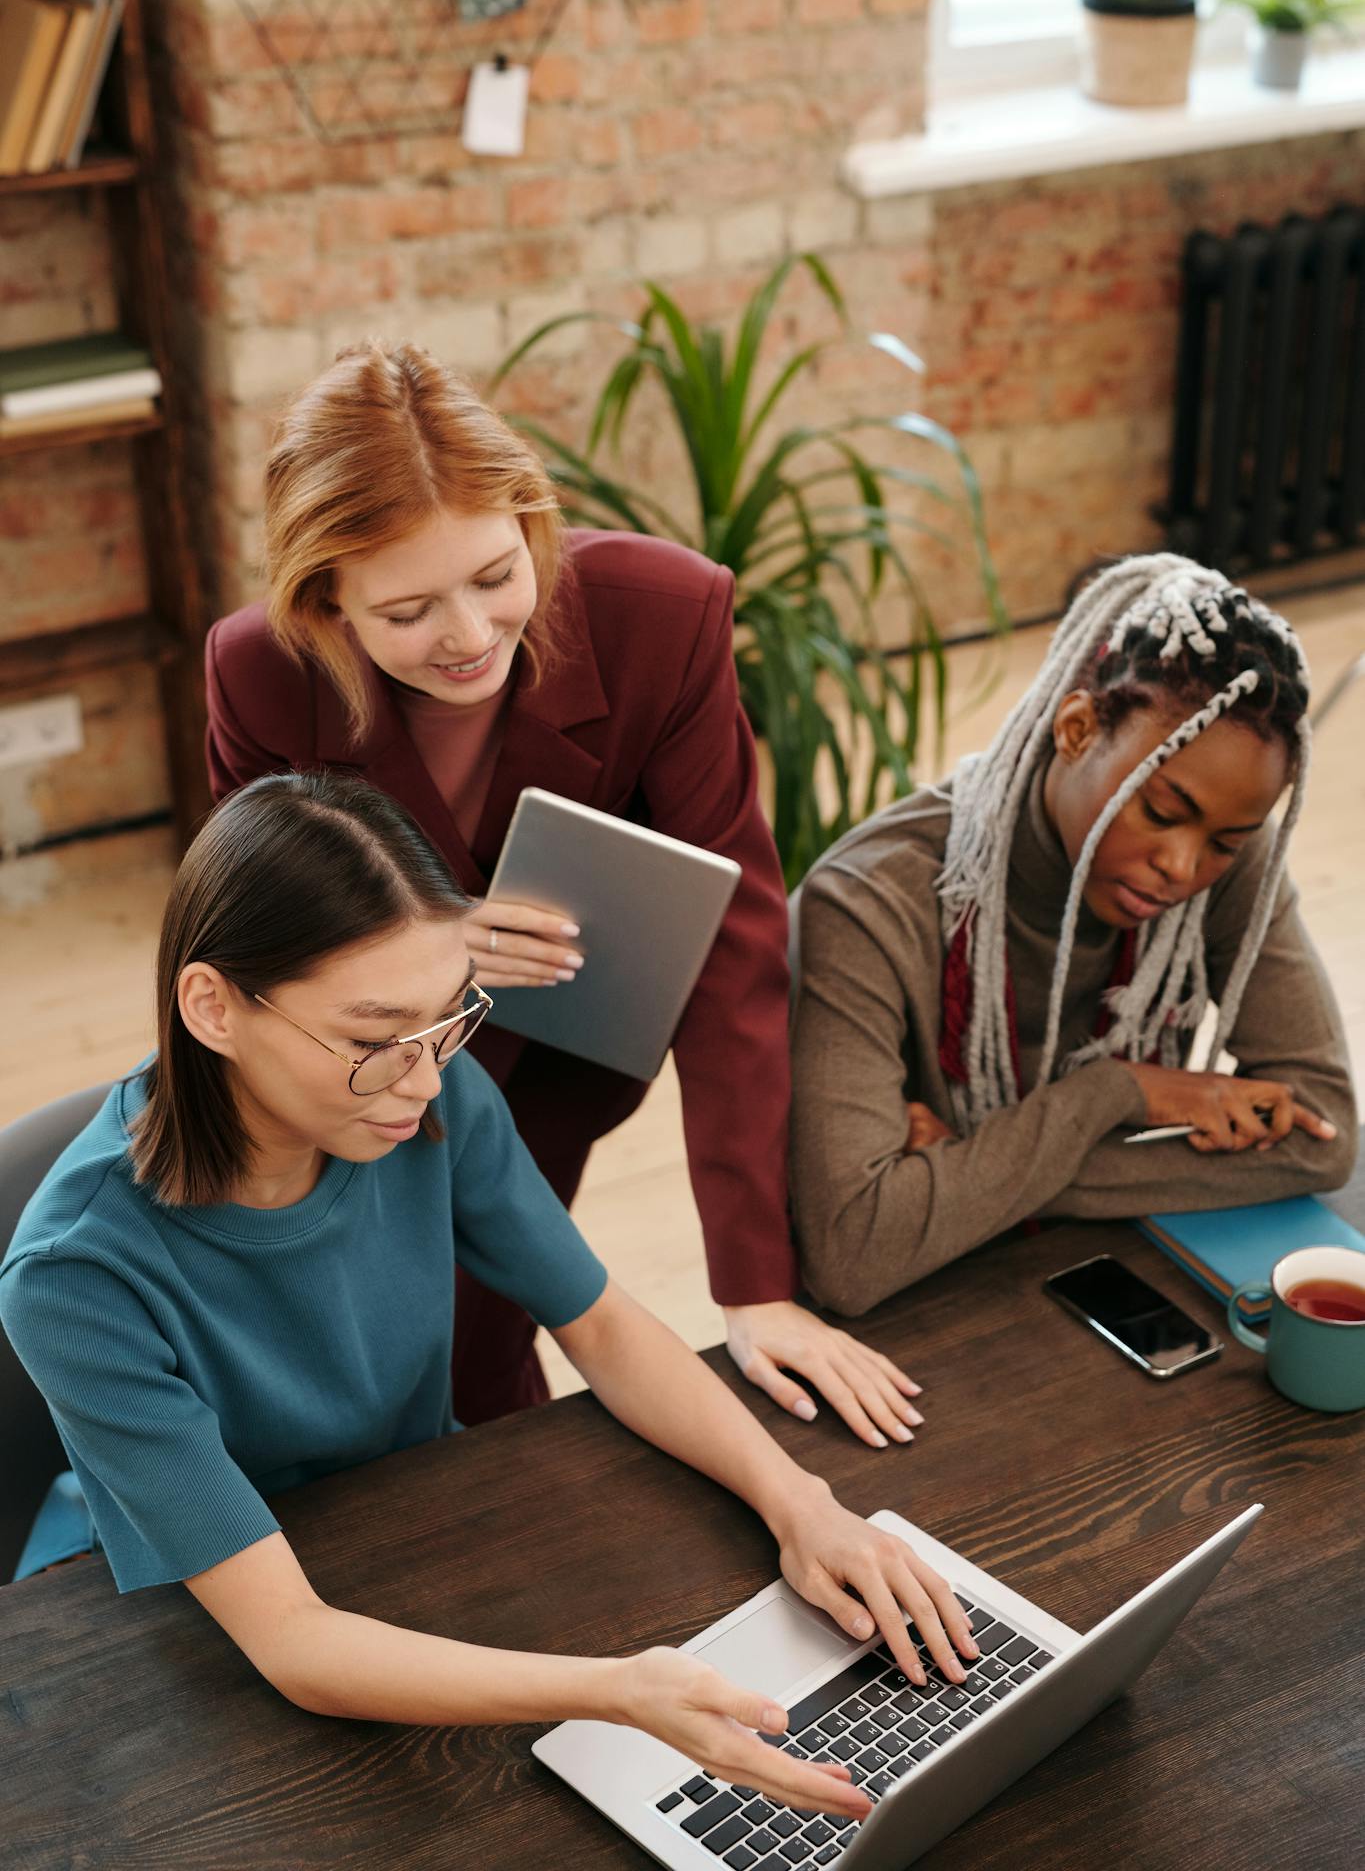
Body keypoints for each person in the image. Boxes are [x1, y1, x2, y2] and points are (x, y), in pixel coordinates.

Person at [0, 773, 977, 1818]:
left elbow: (598, 1321)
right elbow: (289, 1639)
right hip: (227, 1636)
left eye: (446, 1017)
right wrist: (616, 1689)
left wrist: (803, 1503)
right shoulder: (74, 1274)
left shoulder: (428, 1093)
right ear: (213, 1006)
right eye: (375, 1039)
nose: (423, 1078)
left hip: (426, 1532)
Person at [204, 338, 916, 1449]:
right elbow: (253, 936)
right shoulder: (257, 671)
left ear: (532, 521)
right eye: (406, 612)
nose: (471, 634)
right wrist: (431, 938)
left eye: (496, 576)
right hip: (352, 1062)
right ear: (325, 601)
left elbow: (737, 948)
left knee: (484, 1329)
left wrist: (754, 1283)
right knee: (353, 1347)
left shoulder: (663, 617)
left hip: (564, 1053)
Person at [790, 555, 1358, 1319]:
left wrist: (964, 1161)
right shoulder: (866, 900)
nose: (1181, 866)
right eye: (1159, 812)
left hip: (1101, 1273)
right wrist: (1119, 1093)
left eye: (1224, 840)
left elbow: (1321, 1136)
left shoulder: (1231, 865)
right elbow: (855, 1249)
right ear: (1077, 728)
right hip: (913, 1330)